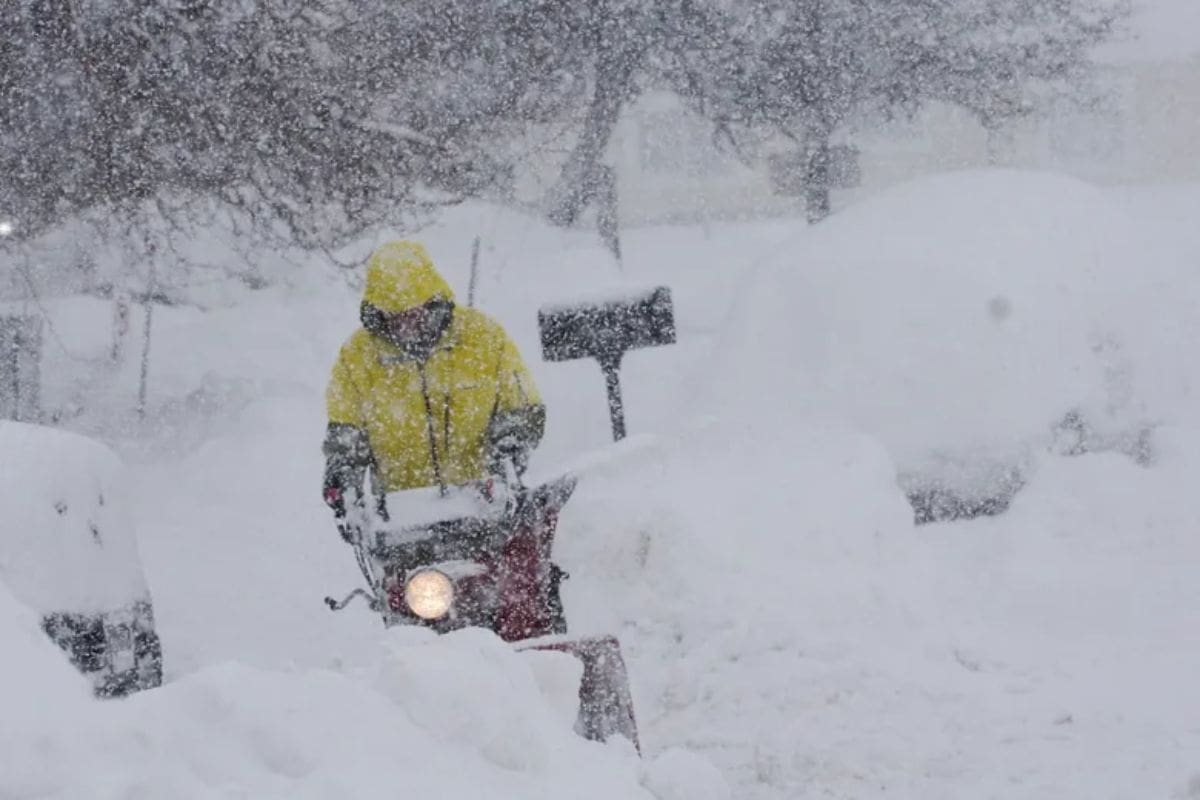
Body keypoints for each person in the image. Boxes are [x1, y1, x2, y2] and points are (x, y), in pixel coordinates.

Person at [322, 241, 544, 523]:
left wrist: (508, 452)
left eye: (413, 314)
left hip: (484, 510)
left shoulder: (483, 338)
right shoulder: (358, 356)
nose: (406, 327)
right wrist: (342, 475)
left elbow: (523, 407)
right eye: (395, 318)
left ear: (431, 301)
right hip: (403, 520)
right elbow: (346, 430)